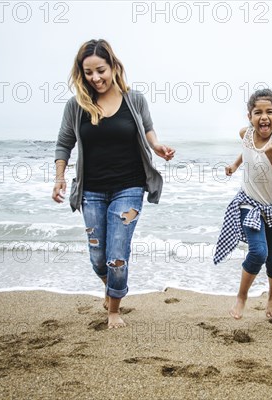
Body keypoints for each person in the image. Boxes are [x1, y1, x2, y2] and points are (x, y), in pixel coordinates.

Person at [52, 39, 175, 329]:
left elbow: (148, 129)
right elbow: (63, 144)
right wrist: (59, 178)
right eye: (89, 72)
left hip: (129, 188)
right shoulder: (76, 106)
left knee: (117, 253)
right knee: (98, 257)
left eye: (101, 70)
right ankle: (109, 287)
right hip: (91, 191)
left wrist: (157, 146)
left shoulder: (135, 99)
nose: (96, 78)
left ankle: (114, 310)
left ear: (113, 67)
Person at [214, 89, 272, 320]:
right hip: (249, 203)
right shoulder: (246, 134)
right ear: (249, 117)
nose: (264, 117)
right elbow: (247, 150)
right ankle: (242, 297)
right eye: (257, 112)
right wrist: (234, 165)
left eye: (269, 112)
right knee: (258, 252)